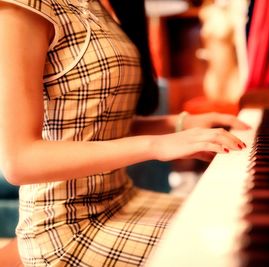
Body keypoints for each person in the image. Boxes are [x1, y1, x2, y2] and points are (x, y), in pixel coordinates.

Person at [0, 0, 250, 265]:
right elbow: (20, 160)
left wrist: (183, 125)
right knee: (235, 246)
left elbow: (98, 125)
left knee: (238, 215)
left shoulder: (100, 5)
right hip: (67, 231)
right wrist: (156, 146)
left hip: (124, 201)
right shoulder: (23, 7)